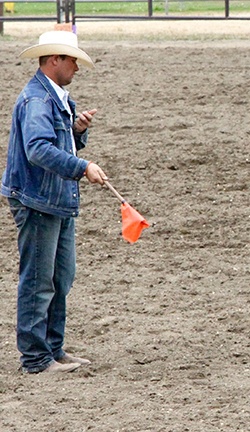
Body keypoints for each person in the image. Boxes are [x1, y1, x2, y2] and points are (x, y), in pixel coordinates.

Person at [1, 30, 108, 373]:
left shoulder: (54, 98)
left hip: (52, 198)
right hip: (37, 199)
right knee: (39, 278)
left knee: (60, 276)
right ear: (54, 60)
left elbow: (50, 144)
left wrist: (76, 132)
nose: (76, 66)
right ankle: (36, 358)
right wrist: (82, 167)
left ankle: (53, 349)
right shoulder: (39, 100)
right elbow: (38, 149)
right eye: (72, 59)